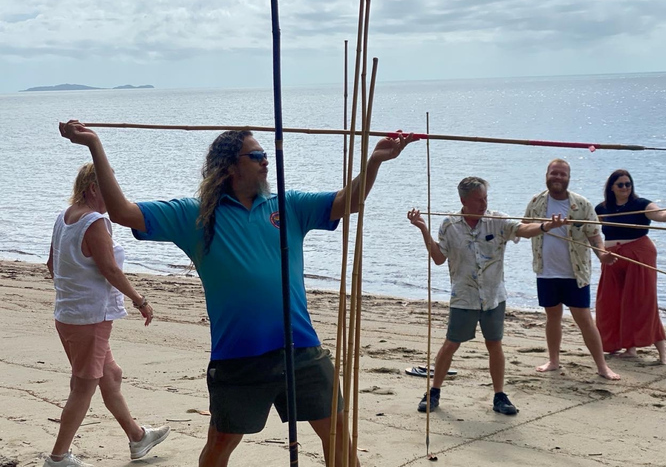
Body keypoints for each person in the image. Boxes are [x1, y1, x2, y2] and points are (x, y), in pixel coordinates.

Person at [60, 120, 416, 467]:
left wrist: (374, 162)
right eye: (256, 155)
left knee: (337, 434)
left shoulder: (288, 206)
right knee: (220, 444)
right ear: (230, 166)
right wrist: (95, 145)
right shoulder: (196, 215)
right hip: (238, 356)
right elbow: (123, 213)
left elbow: (346, 202)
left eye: (264, 153)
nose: (266, 160)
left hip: (301, 348)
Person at [44, 163, 170, 467]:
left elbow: (51, 264)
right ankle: (58, 457)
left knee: (110, 375)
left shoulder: (65, 216)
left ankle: (137, 437)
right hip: (90, 319)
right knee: (83, 387)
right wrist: (141, 300)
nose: (115, 193)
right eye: (109, 185)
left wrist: (74, 288)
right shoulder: (94, 220)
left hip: (68, 315)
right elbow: (110, 269)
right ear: (93, 188)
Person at [407, 176, 565, 415]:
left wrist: (545, 226)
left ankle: (499, 396)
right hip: (464, 296)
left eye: (485, 199)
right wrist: (423, 229)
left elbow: (522, 229)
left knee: (494, 344)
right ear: (464, 201)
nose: (483, 204)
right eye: (478, 200)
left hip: (493, 296)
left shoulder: (496, 220)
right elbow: (439, 258)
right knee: (451, 344)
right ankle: (434, 391)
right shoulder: (449, 225)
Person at [524, 159, 621, 380]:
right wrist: (544, 226)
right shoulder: (536, 202)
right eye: (554, 173)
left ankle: (602, 366)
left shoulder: (581, 204)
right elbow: (522, 228)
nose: (557, 178)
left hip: (575, 273)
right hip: (546, 272)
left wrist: (603, 255)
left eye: (562, 174)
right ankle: (553, 360)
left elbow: (594, 235)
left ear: (568, 178)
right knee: (553, 317)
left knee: (584, 319)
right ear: (546, 175)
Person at [595, 169, 666, 365]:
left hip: (639, 253)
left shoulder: (641, 204)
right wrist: (600, 253)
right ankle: (629, 348)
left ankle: (663, 353)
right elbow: (594, 233)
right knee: (611, 301)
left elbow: (660, 215)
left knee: (643, 301)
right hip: (611, 257)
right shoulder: (601, 208)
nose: (625, 188)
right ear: (611, 187)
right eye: (621, 184)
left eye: (628, 184)